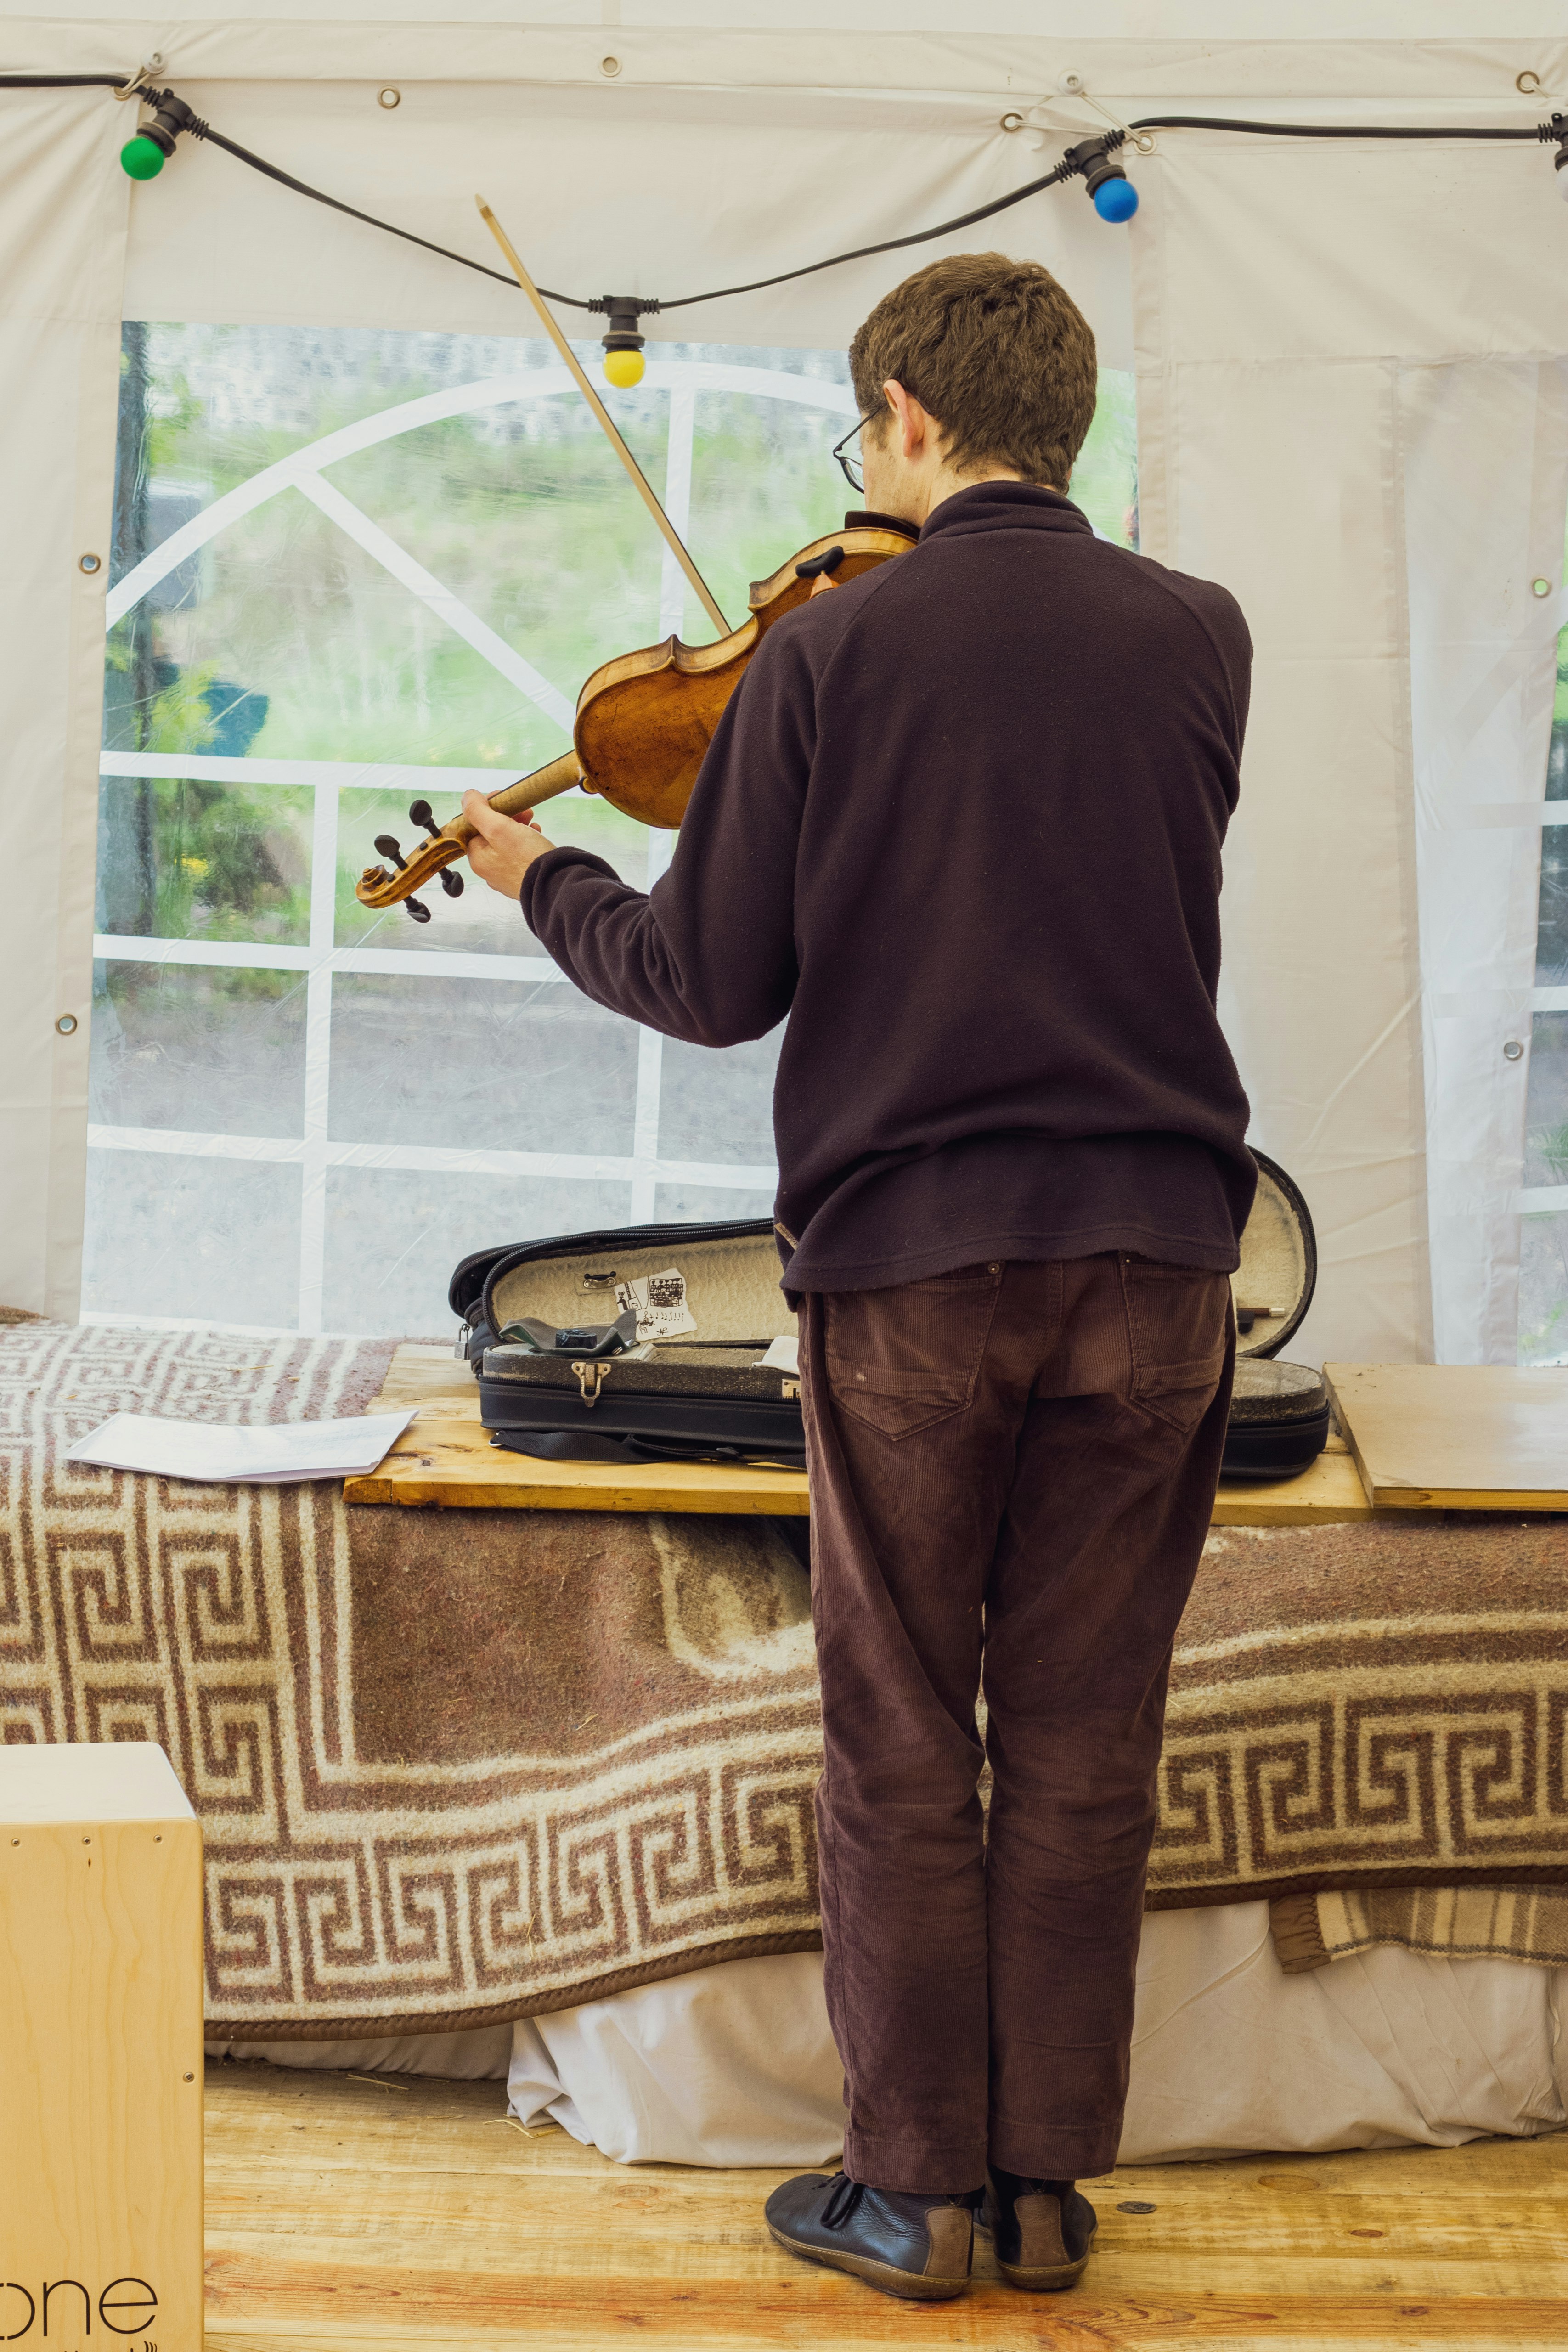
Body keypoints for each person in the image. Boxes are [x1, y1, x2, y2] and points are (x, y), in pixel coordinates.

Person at [463, 251, 1255, 2304]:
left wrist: (533, 870)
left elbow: (706, 983)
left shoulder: (829, 661)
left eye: (857, 430)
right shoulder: (1198, 638)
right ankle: (1042, 2194)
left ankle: (907, 2192)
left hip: (916, 1261)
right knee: (1088, 1728)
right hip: (1165, 1247)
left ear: (904, 416)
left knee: (900, 1726)